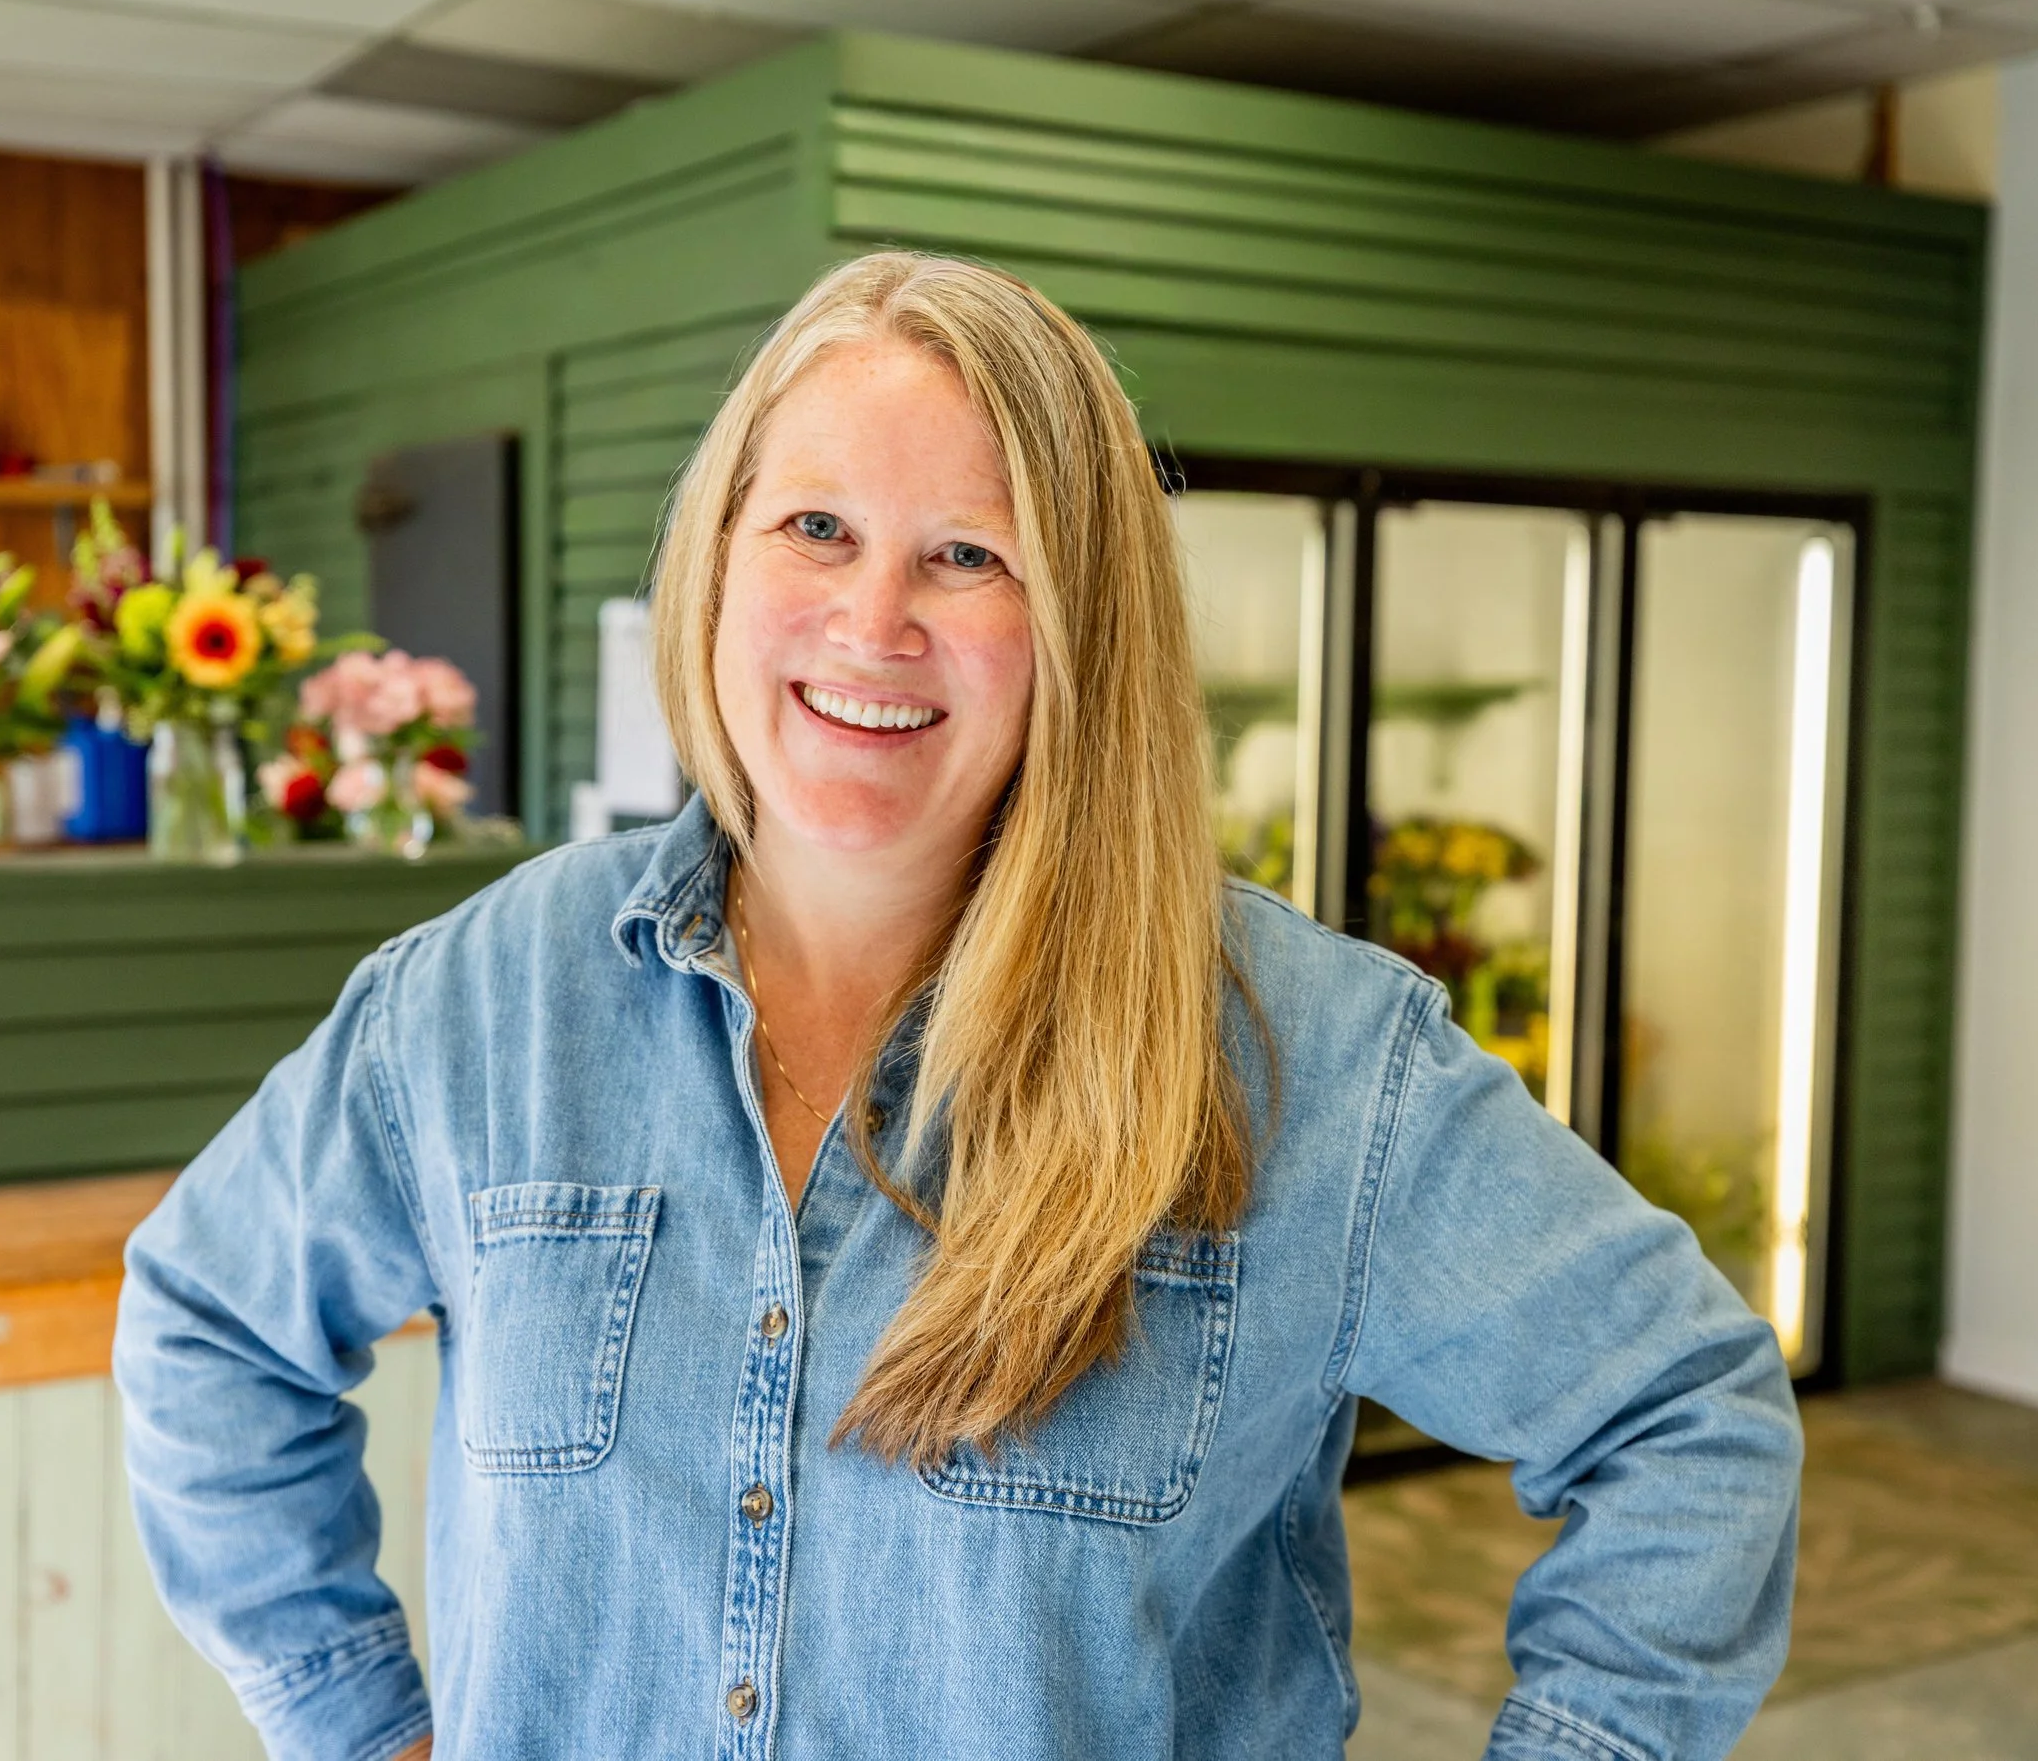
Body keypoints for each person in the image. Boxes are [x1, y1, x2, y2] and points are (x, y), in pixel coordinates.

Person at [114, 252, 1801, 1760]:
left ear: (1078, 627)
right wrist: (356, 1720)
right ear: (718, 560)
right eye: (818, 528)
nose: (874, 620)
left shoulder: (1307, 1061)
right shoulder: (486, 998)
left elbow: (1688, 1420)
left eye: (969, 555)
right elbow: (209, 1318)